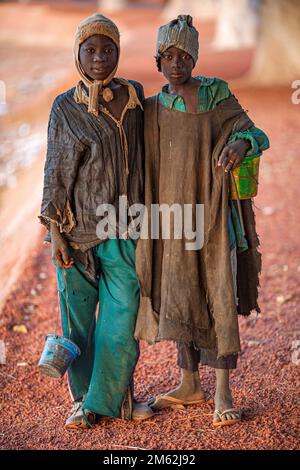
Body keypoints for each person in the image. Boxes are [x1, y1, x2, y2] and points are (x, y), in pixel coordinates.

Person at [135, 15, 270, 428]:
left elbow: (257, 134)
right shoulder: (154, 108)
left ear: (195, 57)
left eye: (185, 55)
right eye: (169, 56)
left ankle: (223, 392)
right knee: (181, 292)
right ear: (158, 62)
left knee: (219, 291)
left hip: (213, 217)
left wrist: (240, 141)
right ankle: (189, 383)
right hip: (173, 221)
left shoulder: (217, 96)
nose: (177, 63)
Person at [39, 13, 152, 429]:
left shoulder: (135, 95)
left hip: (125, 230)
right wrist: (55, 234)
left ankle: (113, 400)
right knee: (80, 325)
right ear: (78, 54)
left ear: (119, 53)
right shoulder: (65, 108)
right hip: (77, 234)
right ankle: (85, 402)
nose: (100, 57)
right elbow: (56, 173)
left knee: (121, 324)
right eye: (91, 50)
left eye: (108, 49)